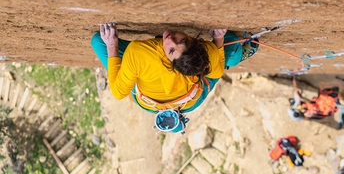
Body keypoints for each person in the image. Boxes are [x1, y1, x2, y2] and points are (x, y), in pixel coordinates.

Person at [91, 23, 244, 132]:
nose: (170, 39)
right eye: (182, 40)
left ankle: (233, 55)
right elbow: (216, 72)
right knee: (233, 48)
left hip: (149, 99)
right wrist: (218, 39)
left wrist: (112, 46)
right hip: (183, 99)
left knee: (99, 41)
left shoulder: (138, 53)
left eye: (171, 50)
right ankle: (235, 55)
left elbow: (119, 92)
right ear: (194, 42)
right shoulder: (205, 52)